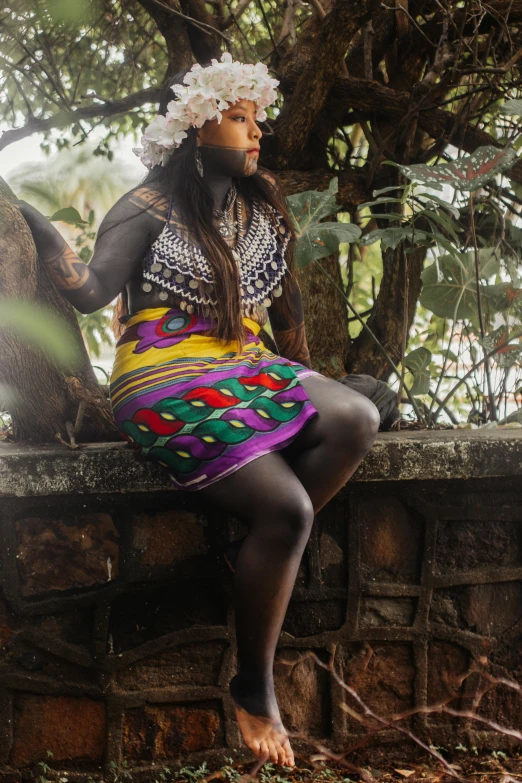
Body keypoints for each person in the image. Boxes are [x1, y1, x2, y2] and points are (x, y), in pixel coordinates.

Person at [16, 53, 381, 769]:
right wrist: (34, 223)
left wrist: (318, 384)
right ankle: (253, 681)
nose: (256, 134)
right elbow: (88, 291)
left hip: (246, 365)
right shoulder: (146, 207)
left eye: (257, 120)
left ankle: (255, 556)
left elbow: (290, 318)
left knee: (359, 418)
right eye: (239, 119)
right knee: (289, 512)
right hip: (161, 376)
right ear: (193, 128)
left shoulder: (260, 204)